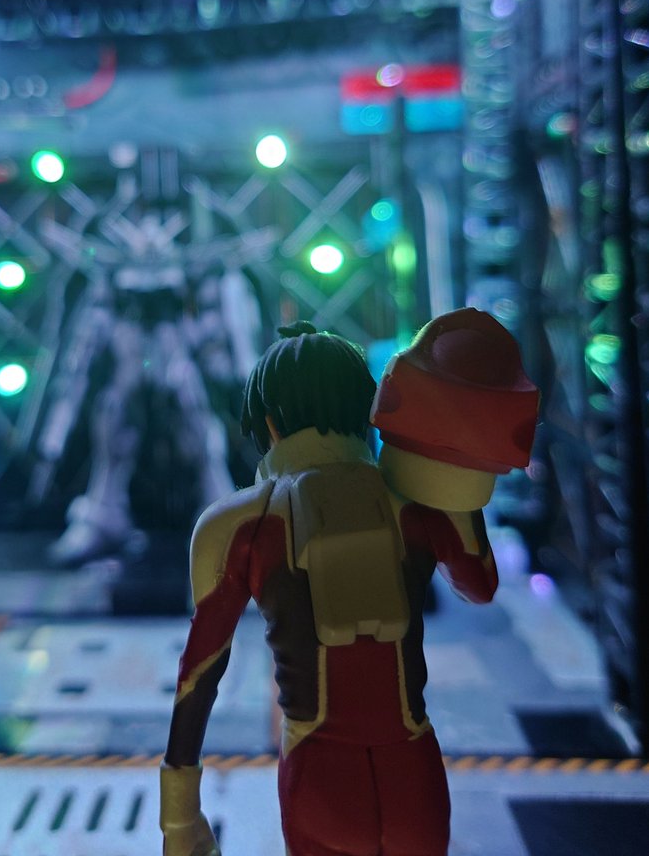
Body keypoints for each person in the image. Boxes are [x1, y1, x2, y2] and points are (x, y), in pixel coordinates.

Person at [160, 311, 539, 856]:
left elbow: (199, 674)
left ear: (268, 423)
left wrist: (178, 815)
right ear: (369, 409)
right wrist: (458, 470)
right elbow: (479, 585)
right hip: (413, 773)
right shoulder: (416, 507)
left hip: (318, 778)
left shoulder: (236, 525)